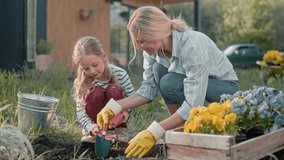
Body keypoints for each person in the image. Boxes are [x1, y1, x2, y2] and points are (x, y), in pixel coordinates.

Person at [97, 6, 240, 158]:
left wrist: (154, 132)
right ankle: (180, 129)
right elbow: (148, 90)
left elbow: (194, 104)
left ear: (156, 34)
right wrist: (114, 106)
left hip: (224, 90)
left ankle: (180, 129)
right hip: (193, 91)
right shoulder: (153, 51)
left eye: (141, 41)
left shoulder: (192, 45)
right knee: (160, 69)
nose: (138, 47)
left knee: (170, 82)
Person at [72, 36, 135, 143]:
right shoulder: (83, 82)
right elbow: (80, 113)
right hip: (95, 127)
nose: (91, 71)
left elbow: (133, 100)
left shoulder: (120, 74)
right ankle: (95, 134)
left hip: (117, 122)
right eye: (86, 68)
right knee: (95, 92)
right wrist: (91, 127)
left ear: (104, 57)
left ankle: (119, 131)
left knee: (113, 90)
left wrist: (123, 115)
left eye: (95, 65)